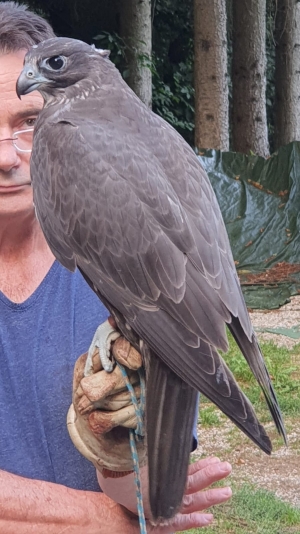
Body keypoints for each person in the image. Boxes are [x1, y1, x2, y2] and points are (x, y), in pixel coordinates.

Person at [0, 2, 232, 532]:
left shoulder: (125, 216)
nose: (8, 157)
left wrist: (120, 462)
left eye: (30, 122)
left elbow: (146, 501)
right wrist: (98, 520)